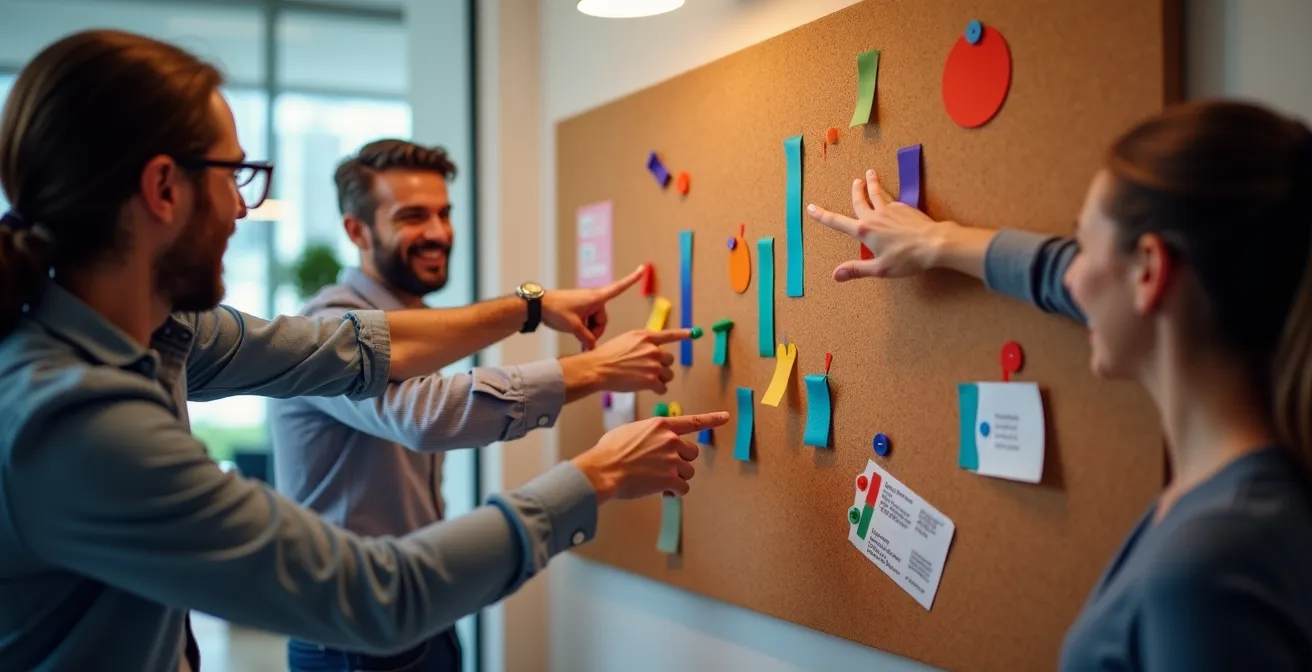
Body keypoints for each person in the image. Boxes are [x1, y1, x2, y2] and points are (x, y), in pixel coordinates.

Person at [0, 29, 728, 672]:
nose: (242, 208)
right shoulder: (78, 421)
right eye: (234, 176)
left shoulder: (168, 333)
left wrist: (530, 308)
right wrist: (594, 476)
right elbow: (377, 593)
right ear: (164, 188)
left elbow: (342, 349)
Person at [807, 100, 1312, 670]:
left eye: (1086, 246)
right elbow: (1056, 272)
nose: (1073, 274)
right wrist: (936, 242)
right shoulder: (1242, 501)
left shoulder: (1211, 564)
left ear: (1149, 272)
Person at [269, 139, 685, 671]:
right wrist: (593, 369)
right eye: (414, 216)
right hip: (355, 640)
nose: (440, 233)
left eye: (444, 213)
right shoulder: (328, 328)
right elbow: (425, 415)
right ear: (357, 231)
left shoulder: (414, 327)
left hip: (424, 620)